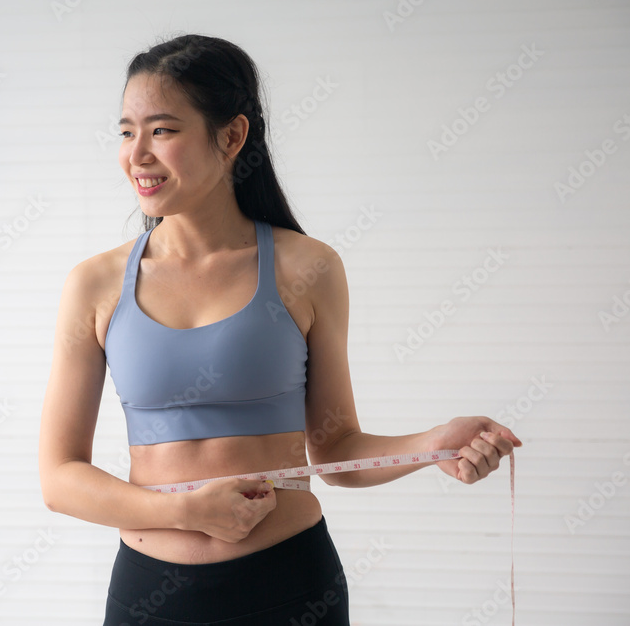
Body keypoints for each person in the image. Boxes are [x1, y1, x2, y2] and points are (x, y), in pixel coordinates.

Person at [38, 33, 522, 625]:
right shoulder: (96, 284)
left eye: (162, 130)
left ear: (232, 136)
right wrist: (187, 512)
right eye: (125, 131)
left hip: (289, 587)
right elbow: (60, 478)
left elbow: (337, 448)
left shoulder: (308, 268)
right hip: (149, 598)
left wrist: (434, 444)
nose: (136, 153)